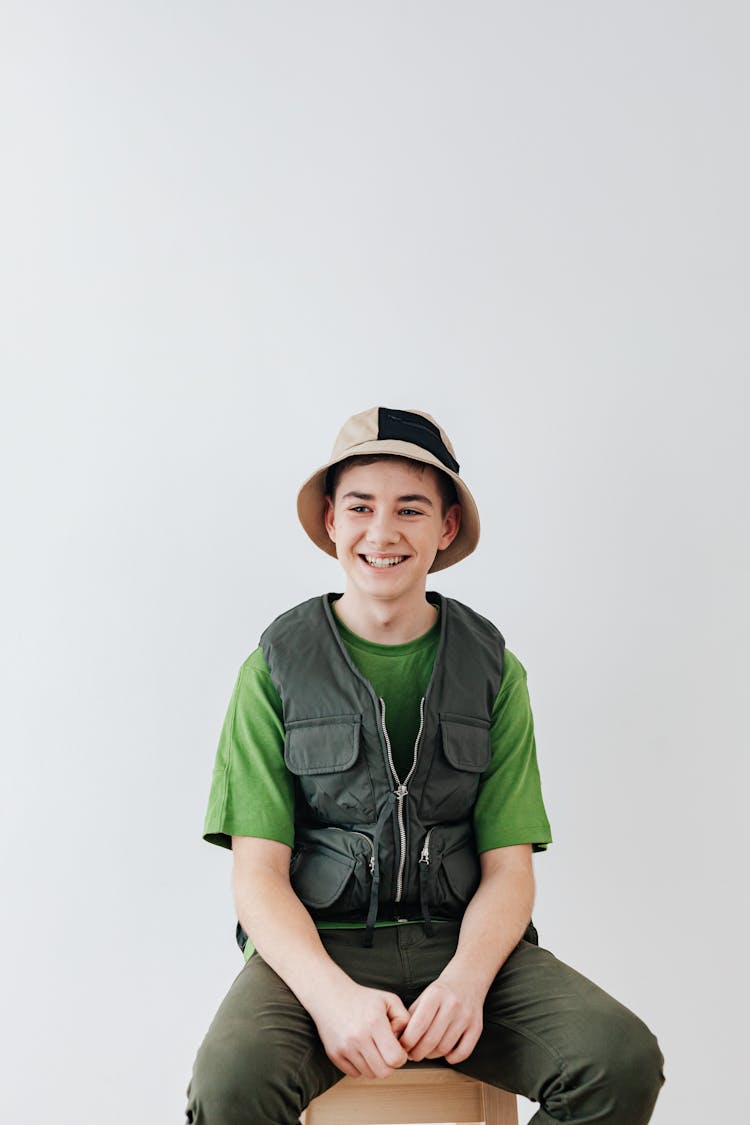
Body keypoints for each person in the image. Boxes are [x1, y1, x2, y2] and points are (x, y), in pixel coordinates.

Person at [186, 406, 664, 1124]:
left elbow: (509, 868)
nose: (383, 532)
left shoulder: (495, 668)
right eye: (361, 506)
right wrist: (329, 996)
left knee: (619, 1059)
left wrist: (469, 981)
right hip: (321, 950)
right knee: (230, 1084)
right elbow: (256, 875)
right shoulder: (273, 667)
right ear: (330, 521)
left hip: (464, 946)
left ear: (444, 528)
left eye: (411, 508)